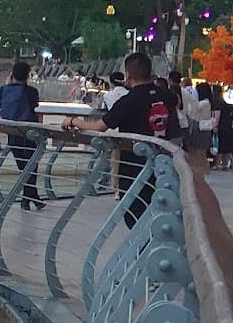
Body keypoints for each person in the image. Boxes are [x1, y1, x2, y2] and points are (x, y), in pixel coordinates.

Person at [64, 52, 180, 228]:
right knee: (159, 211)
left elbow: (99, 126)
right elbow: (176, 102)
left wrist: (73, 121)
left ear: (128, 74)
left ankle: (145, 245)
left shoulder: (129, 101)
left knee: (134, 215)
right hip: (164, 164)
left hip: (134, 166)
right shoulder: (166, 95)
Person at [0, 61, 45, 210]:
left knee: (23, 167)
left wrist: (8, 85)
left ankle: (31, 198)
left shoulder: (4, 90)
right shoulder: (32, 91)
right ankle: (29, 198)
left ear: (12, 74)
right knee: (31, 167)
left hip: (13, 133)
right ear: (28, 75)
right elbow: (34, 106)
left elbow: (1, 105)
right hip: (29, 133)